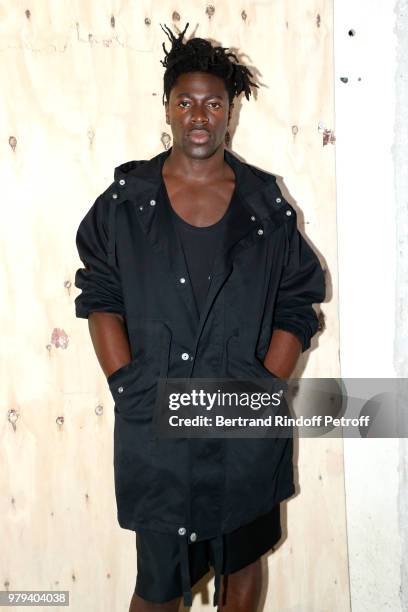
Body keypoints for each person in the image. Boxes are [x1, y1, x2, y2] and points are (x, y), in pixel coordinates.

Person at [74, 22, 326, 612]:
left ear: (230, 113)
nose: (198, 115)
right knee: (159, 586)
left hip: (244, 427)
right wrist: (126, 386)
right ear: (167, 107)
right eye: (185, 101)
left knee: (242, 566)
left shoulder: (266, 206)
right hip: (157, 425)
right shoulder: (125, 202)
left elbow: (297, 302)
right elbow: (100, 294)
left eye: (213, 103)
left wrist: (266, 387)